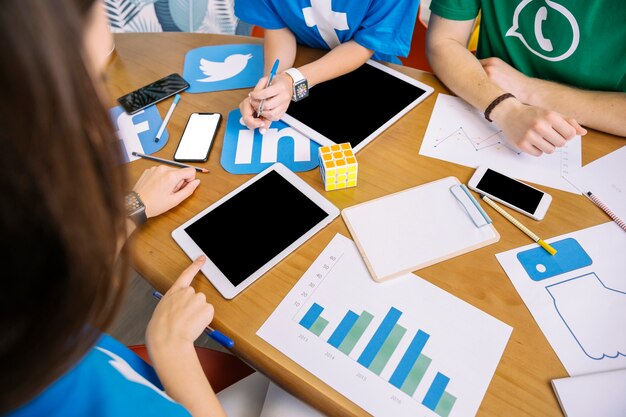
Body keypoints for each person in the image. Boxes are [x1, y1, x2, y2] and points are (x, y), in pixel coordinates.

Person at [0, 1, 228, 416]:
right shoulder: (81, 396)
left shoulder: (25, 312)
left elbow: (55, 288)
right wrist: (171, 348)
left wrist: (133, 207)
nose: (108, 119)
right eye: (92, 86)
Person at [425, 0, 626, 156]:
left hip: (599, 137)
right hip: (485, 106)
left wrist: (528, 89)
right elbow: (443, 41)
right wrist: (507, 110)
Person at [234, 0, 420, 134]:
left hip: (372, 71)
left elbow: (365, 45)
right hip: (303, 60)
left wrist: (292, 81)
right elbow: (279, 26)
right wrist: (272, 89)